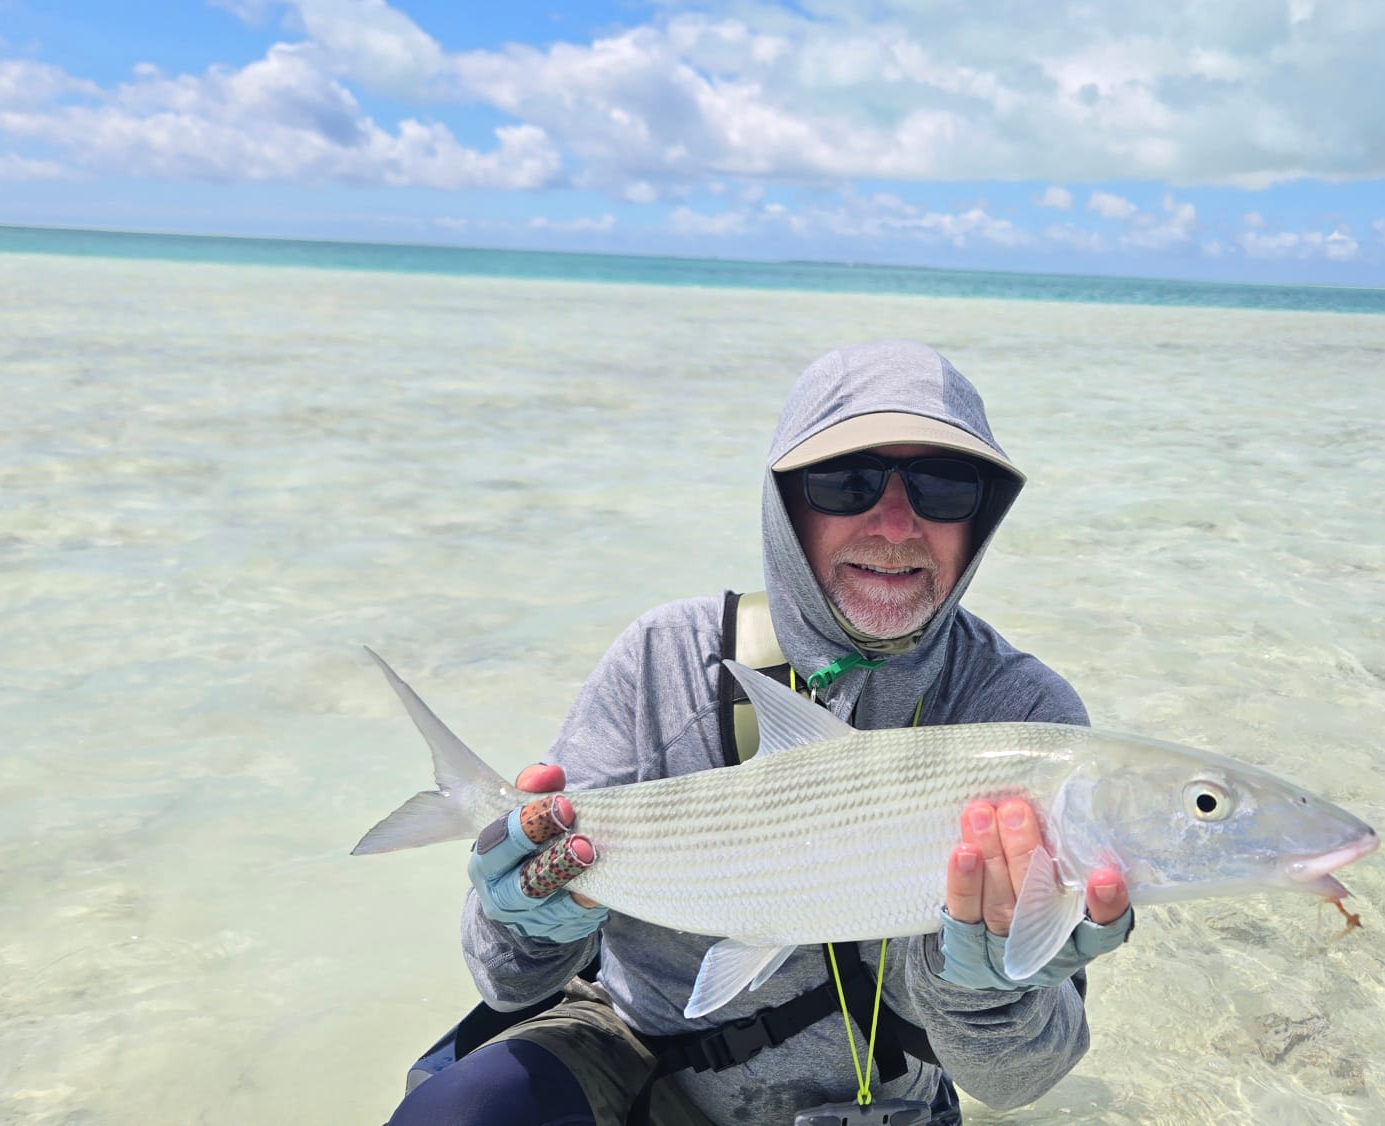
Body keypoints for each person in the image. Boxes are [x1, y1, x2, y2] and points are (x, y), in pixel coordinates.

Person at [389, 340, 1133, 1126]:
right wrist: (522, 923)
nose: (895, 525)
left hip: (882, 1101)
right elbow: (508, 985)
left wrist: (986, 991)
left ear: (981, 517)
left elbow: (1017, 1085)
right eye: (845, 481)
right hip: (632, 1057)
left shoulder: (1023, 712)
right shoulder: (665, 656)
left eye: (945, 487)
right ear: (786, 503)